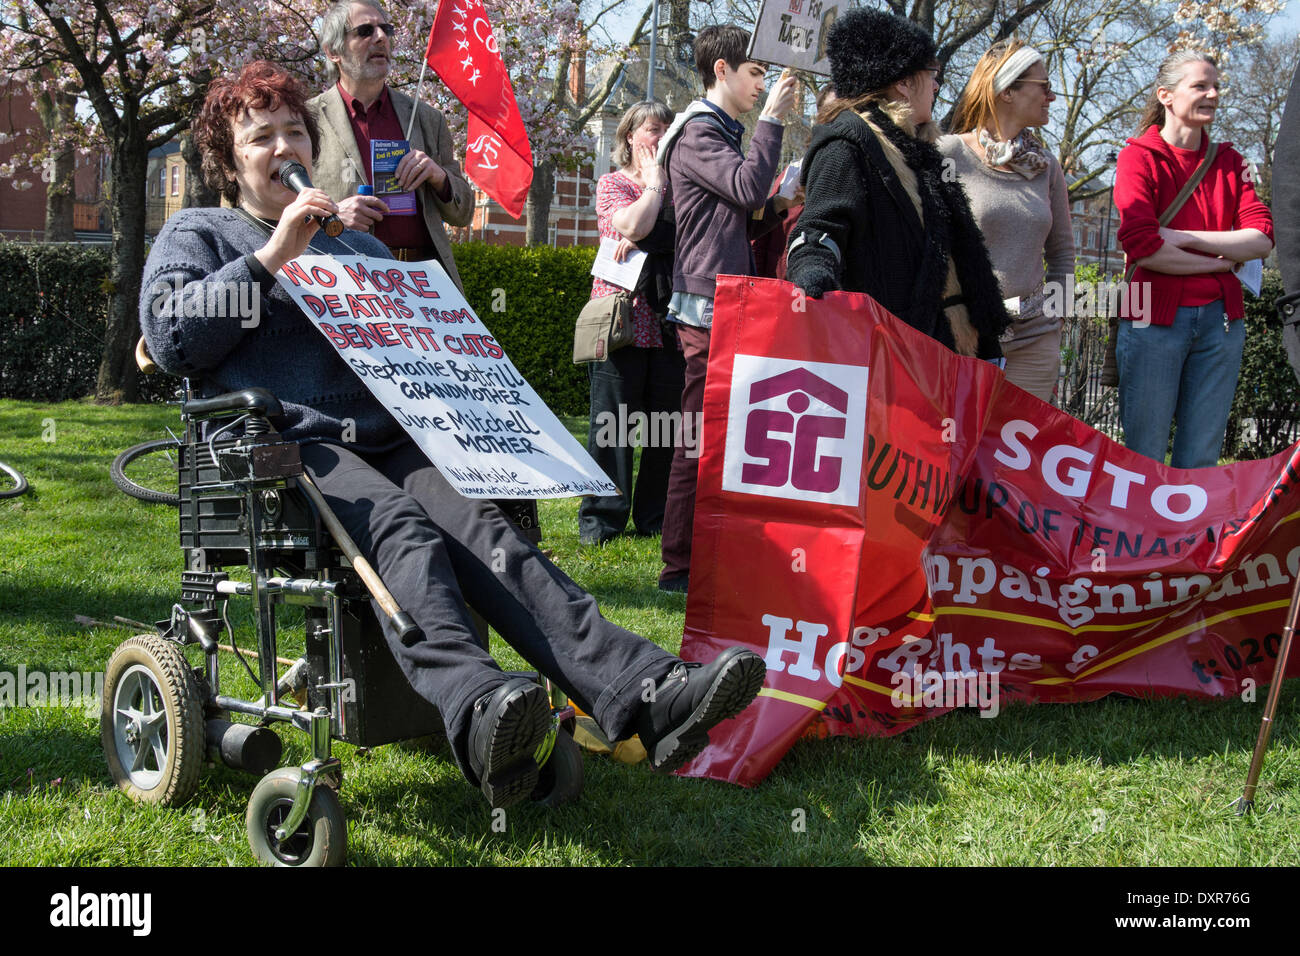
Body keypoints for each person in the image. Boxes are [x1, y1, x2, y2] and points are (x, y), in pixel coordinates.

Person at [139, 61, 766, 811]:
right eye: (259, 136)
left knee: (487, 534)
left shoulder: (360, 249)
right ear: (227, 159)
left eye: (294, 131)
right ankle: (477, 708)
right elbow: (171, 339)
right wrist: (273, 257)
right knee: (399, 526)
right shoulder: (198, 232)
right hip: (283, 449)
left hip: (390, 436)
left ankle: (648, 694)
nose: (283, 146)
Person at [656, 23, 799, 593]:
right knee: (699, 440)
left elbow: (739, 209)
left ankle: (708, 556)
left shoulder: (719, 130)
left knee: (723, 440)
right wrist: (774, 123)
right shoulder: (698, 132)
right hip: (705, 306)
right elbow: (743, 188)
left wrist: (776, 204)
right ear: (722, 70)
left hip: (724, 300)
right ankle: (678, 567)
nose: (764, 84)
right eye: (756, 72)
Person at [786, 8, 1008, 360]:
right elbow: (818, 230)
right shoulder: (847, 143)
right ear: (903, 83)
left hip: (941, 349)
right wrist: (813, 269)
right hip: (887, 354)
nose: (937, 85)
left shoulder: (920, 151)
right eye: (932, 75)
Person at [1114, 51, 1274, 468]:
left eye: (1216, 86)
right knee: (1142, 456)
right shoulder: (1137, 157)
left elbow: (1260, 238)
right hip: (1149, 316)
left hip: (1222, 324)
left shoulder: (1231, 161)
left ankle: (1187, 535)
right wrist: (1223, 261)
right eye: (1201, 86)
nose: (1213, 94)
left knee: (1200, 457)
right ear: (1165, 95)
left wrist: (1184, 238)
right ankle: (1138, 535)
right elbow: (1144, 246)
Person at [940, 40, 1074, 402]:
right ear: (1007, 91)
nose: (1052, 97)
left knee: (1019, 456)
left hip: (1033, 338)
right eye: (1044, 87)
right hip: (964, 334)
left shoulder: (1047, 168)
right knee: (958, 450)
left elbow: (1062, 253)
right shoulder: (949, 154)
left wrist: (1055, 318)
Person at [307, 0, 474, 286]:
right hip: (343, 281)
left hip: (423, 282)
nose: (381, 37)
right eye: (364, 31)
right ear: (333, 51)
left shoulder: (427, 119)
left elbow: (464, 212)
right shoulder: (305, 120)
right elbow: (277, 210)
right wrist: (332, 217)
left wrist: (439, 177)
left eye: (386, 29)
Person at [579, 101, 685, 546]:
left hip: (666, 322)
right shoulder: (612, 183)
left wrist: (647, 231)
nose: (660, 137)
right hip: (621, 320)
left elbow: (673, 235)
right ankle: (602, 520)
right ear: (629, 137)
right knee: (613, 426)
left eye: (667, 130)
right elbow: (634, 224)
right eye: (653, 129)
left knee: (665, 426)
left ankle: (654, 517)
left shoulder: (681, 187)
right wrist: (655, 188)